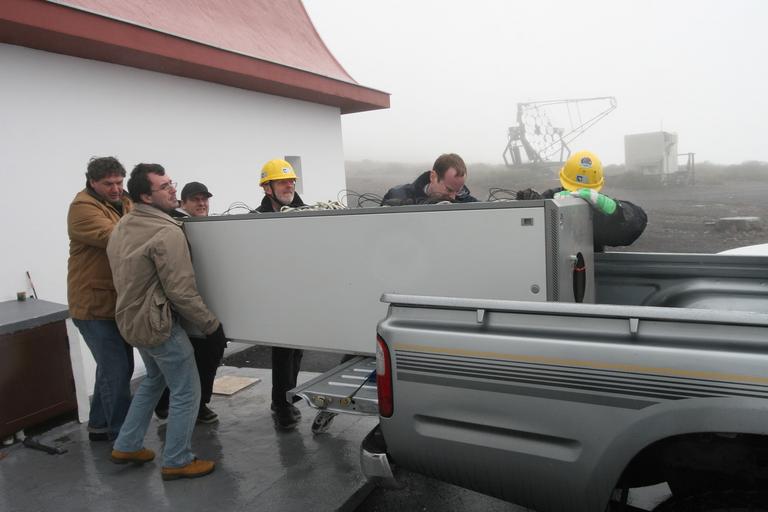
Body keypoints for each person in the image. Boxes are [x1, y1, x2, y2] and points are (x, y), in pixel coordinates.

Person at [107, 163, 227, 480]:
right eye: (164, 186)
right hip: (158, 326)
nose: (173, 189)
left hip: (131, 321)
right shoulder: (167, 232)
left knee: (153, 380)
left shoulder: (123, 224)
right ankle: (177, 460)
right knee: (187, 391)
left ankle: (127, 444)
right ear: (146, 197)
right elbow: (181, 291)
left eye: (171, 182)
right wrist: (211, 326)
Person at [67, 156, 134, 442]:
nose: (116, 188)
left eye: (119, 182)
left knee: (115, 368)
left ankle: (98, 425)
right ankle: (123, 436)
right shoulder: (82, 208)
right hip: (92, 305)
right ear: (92, 182)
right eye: (108, 184)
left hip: (116, 301)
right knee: (117, 370)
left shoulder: (124, 201)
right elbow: (116, 236)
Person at [154, 180, 223, 424]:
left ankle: (183, 404)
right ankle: (192, 405)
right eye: (195, 199)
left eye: (205, 199)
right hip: (182, 307)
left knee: (201, 356)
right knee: (197, 357)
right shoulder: (176, 226)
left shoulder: (204, 227)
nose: (202, 203)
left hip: (200, 303)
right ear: (182, 203)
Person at [516, 150, 647, 252]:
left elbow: (632, 229)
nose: (578, 193)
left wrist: (616, 209)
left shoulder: (598, 206)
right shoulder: (551, 197)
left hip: (587, 268)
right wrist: (530, 205)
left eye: (583, 191)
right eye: (574, 189)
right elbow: (526, 235)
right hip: (554, 266)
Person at [256, 159, 305, 430]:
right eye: (283, 182)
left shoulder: (307, 213)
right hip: (276, 296)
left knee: (297, 350)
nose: (289, 186)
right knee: (283, 350)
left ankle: (289, 396)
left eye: (291, 181)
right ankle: (281, 405)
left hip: (302, 293)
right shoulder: (255, 219)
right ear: (267, 188)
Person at [381, 153, 478, 205]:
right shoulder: (397, 196)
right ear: (433, 177)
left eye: (458, 191)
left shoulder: (474, 206)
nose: (453, 197)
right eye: (449, 190)